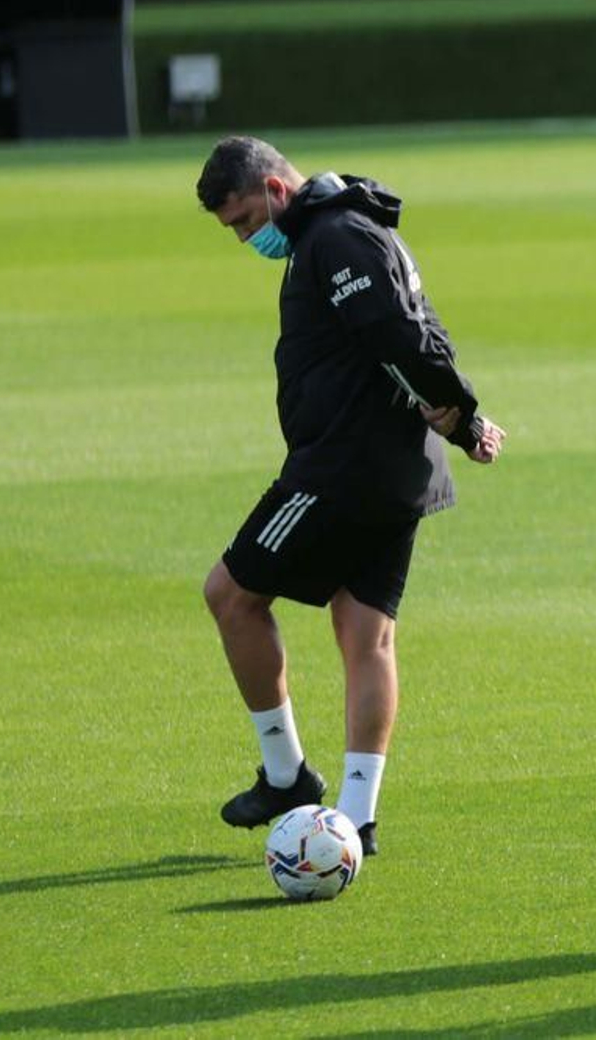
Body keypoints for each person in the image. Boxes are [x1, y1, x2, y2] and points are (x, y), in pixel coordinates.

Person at [195, 136, 506, 857]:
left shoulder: (335, 235)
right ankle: (356, 820)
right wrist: (464, 422)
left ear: (275, 189)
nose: (247, 238)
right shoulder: (352, 225)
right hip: (392, 467)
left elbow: (398, 334)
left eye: (244, 219)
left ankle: (286, 778)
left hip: (342, 468)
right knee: (364, 634)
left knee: (231, 595)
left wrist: (460, 414)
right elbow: (421, 330)